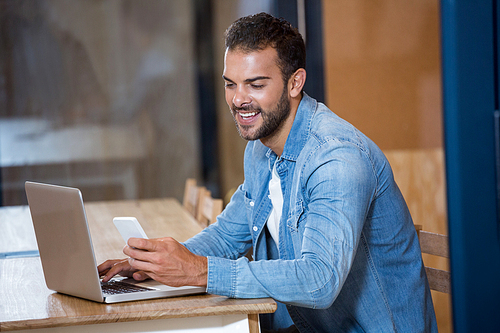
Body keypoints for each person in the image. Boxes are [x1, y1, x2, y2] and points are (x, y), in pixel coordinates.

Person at [99, 12, 438, 332]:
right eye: (230, 84)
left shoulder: (337, 159)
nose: (238, 100)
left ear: (295, 83)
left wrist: (198, 271)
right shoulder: (261, 150)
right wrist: (159, 263)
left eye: (255, 85)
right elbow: (228, 236)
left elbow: (319, 279)